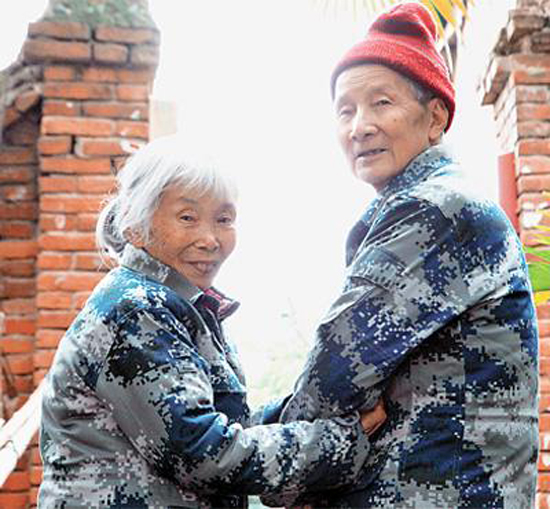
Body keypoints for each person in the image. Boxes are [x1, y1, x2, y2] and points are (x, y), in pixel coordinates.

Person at [269, 3, 539, 508]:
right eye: (344, 110)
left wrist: (279, 474)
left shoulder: (437, 210)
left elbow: (341, 361)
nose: (360, 126)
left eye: (381, 103)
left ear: (434, 117)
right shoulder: (416, 207)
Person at [37, 136, 387, 508]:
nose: (210, 239)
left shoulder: (183, 307)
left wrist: (316, 408)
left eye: (224, 219)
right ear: (135, 227)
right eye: (187, 217)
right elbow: (201, 453)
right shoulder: (136, 311)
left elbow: (225, 422)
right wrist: (338, 441)